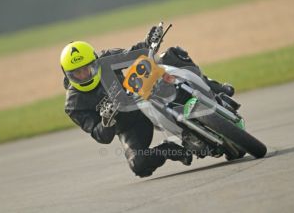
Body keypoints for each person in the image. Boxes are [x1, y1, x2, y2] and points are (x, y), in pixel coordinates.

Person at [60, 27, 235, 177]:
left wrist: (149, 42)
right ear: (67, 74)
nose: (84, 75)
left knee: (168, 56)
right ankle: (168, 150)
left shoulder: (106, 60)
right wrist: (106, 120)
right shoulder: (74, 104)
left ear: (95, 61)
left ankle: (213, 87)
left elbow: (135, 54)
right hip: (128, 124)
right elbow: (101, 137)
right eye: (77, 73)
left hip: (144, 94)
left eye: (87, 69)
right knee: (139, 165)